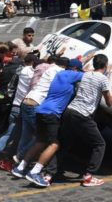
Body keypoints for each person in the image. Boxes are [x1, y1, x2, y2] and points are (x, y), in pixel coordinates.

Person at [61, 54, 112, 187]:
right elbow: (109, 103)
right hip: (83, 115)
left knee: (65, 142)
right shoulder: (103, 80)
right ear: (105, 65)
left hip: (70, 111)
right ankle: (88, 176)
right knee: (99, 144)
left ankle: (49, 172)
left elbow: (94, 75)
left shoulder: (86, 74)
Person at [24, 59, 84, 187]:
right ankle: (35, 171)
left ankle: (20, 167)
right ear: (75, 69)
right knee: (54, 144)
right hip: (52, 114)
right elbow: (90, 76)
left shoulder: (59, 74)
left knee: (40, 141)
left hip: (42, 110)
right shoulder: (70, 74)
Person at [11, 57, 69, 177]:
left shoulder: (47, 67)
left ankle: (19, 165)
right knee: (42, 138)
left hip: (26, 101)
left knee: (26, 134)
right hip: (36, 104)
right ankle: (20, 157)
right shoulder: (60, 72)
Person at [0, 53, 39, 167]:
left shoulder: (21, 72)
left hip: (14, 105)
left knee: (9, 133)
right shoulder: (32, 75)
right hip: (24, 107)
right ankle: (14, 158)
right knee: (25, 135)